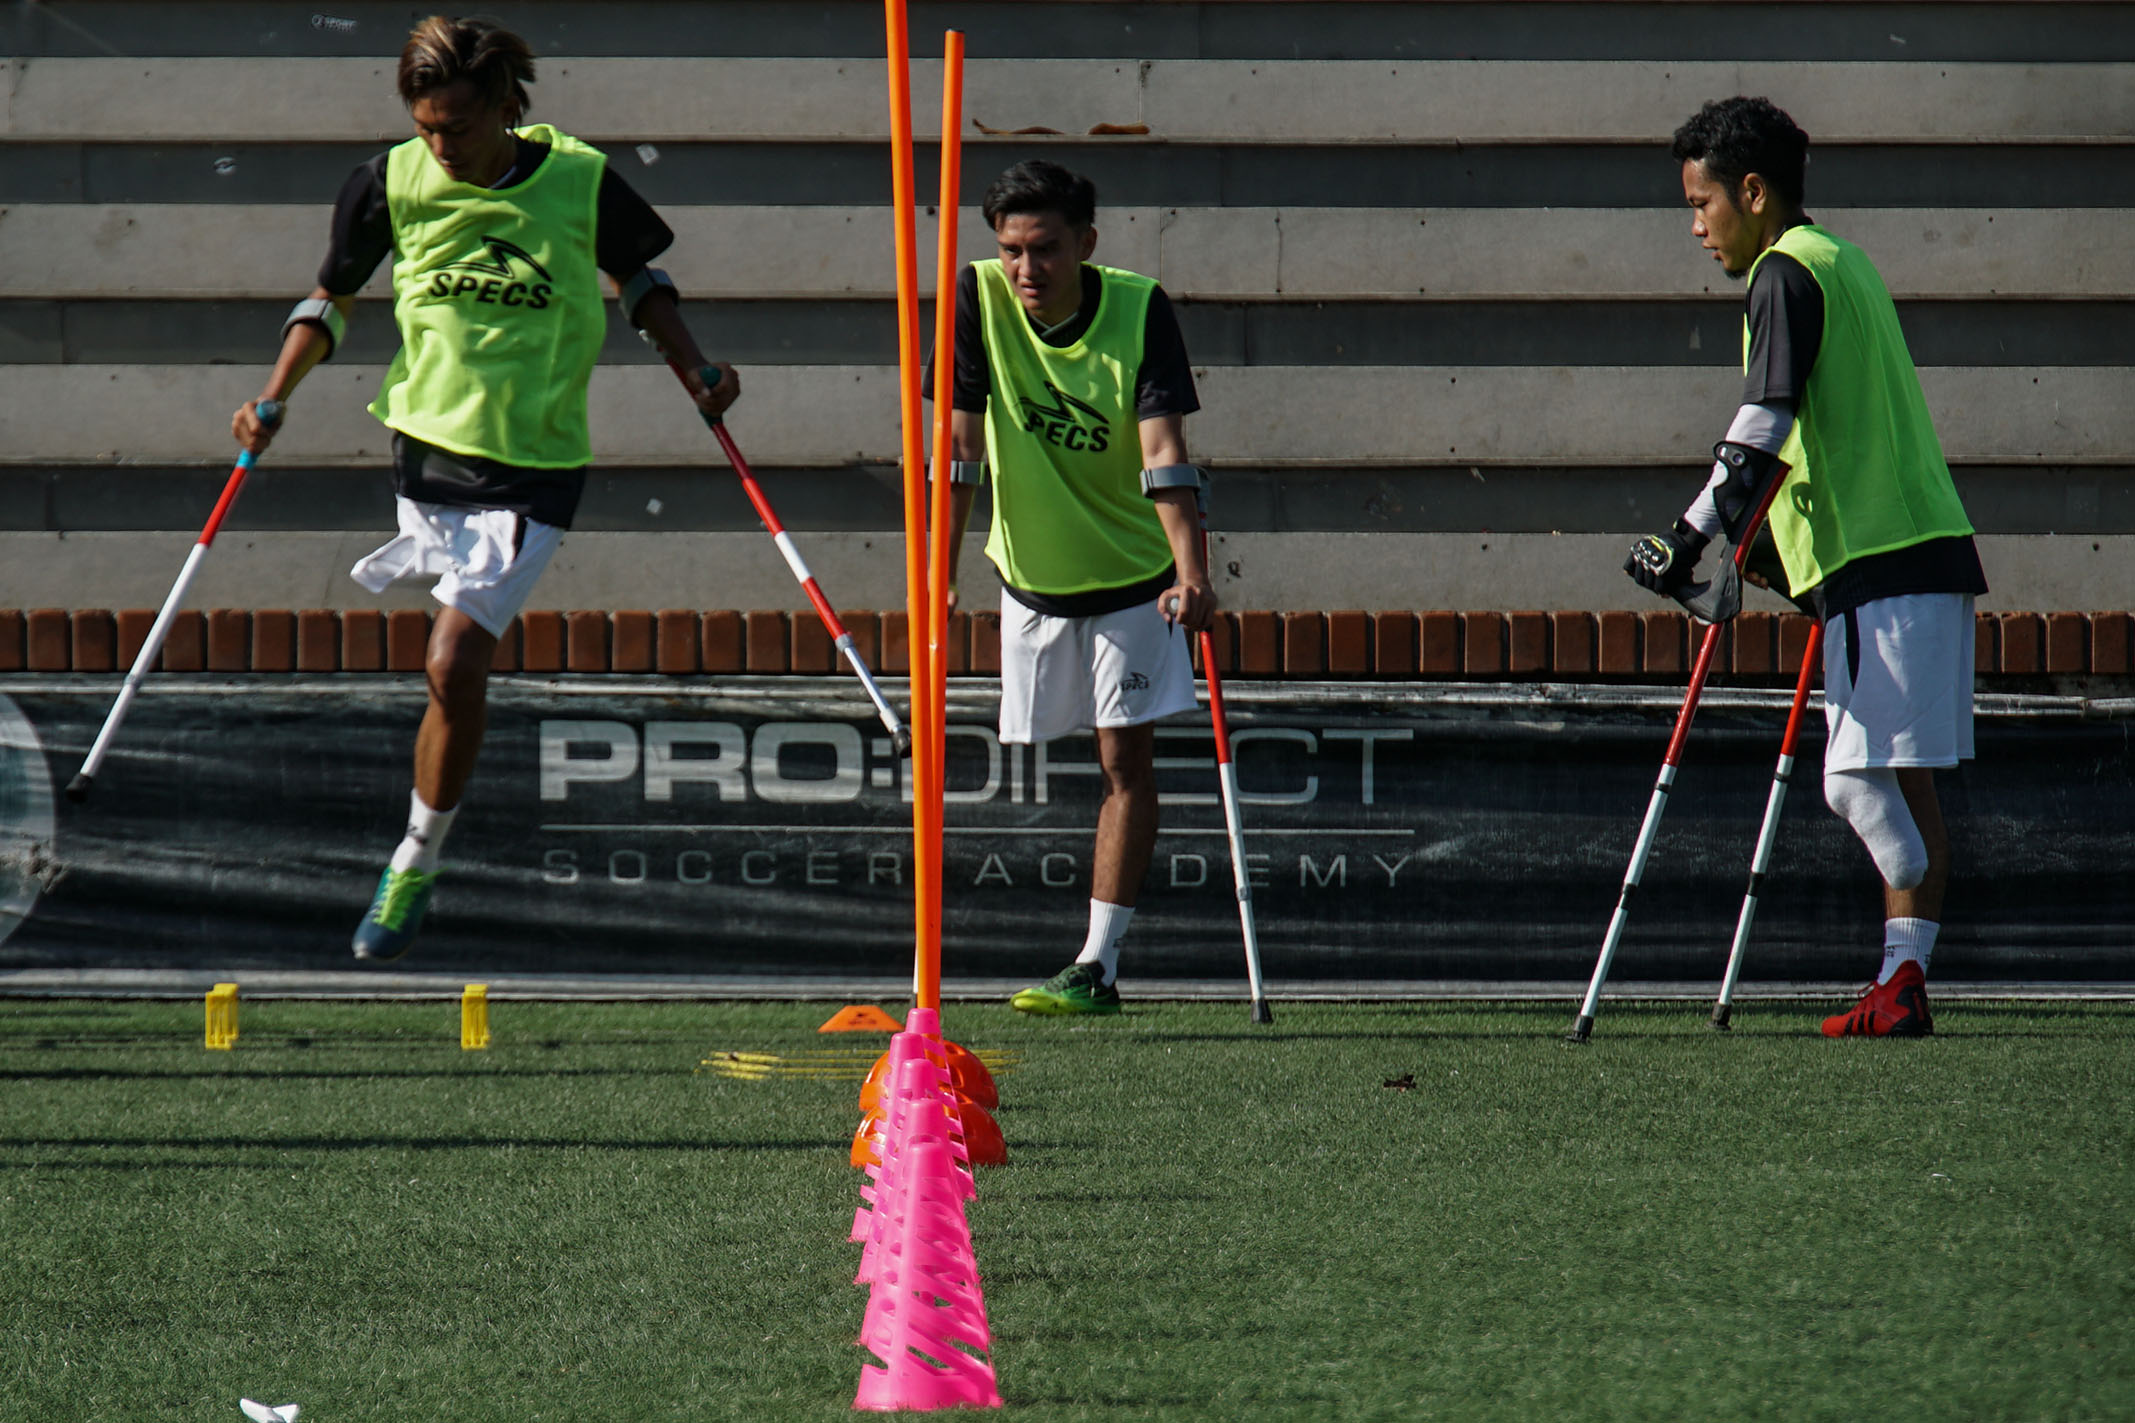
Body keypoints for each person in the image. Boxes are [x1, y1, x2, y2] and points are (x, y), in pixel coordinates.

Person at [230, 15, 738, 962]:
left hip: (536, 463)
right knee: (447, 667)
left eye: (456, 127)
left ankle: (415, 858)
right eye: (424, 127)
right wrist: (273, 395)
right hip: (426, 451)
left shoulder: (578, 180)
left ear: (506, 105)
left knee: (453, 660)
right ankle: (419, 843)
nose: (441, 146)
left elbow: (639, 279)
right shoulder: (388, 182)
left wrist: (696, 367)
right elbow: (331, 297)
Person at [1625, 97, 1987, 1037]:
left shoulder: (1781, 272)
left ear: (1752, 192)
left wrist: (1684, 534)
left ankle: (1902, 967)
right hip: (1926, 552)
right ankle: (1901, 984)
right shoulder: (1844, 260)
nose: (1695, 226)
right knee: (1904, 781)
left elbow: (1762, 422)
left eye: (1701, 203)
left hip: (1878, 564)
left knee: (1852, 784)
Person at [928, 159, 1215, 1015]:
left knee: (1124, 761)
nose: (1027, 269)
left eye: (1046, 248)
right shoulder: (974, 297)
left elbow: (1163, 450)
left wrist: (1193, 573)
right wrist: (936, 575)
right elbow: (958, 449)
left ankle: (1098, 965)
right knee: (1040, 756)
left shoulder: (1137, 307)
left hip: (1133, 580)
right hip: (1031, 580)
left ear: (1086, 242)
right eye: (1011, 249)